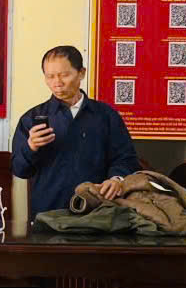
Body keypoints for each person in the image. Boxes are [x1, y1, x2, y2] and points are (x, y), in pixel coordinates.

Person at [12, 45, 138, 216]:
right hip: (48, 212)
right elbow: (19, 170)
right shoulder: (31, 118)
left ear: (81, 73)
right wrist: (31, 147)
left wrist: (117, 179)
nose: (57, 83)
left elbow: (126, 158)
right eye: (50, 76)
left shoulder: (106, 115)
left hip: (98, 210)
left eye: (64, 75)